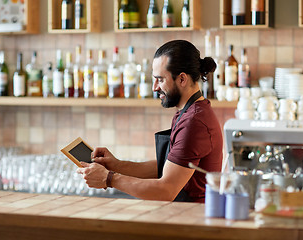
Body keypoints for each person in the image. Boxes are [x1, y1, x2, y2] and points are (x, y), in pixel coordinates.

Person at [77, 40, 223, 202]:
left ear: (182, 79)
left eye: (160, 80)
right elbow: (167, 166)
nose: (154, 87)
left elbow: (166, 190)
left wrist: (109, 179)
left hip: (191, 219)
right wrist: (116, 165)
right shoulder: (187, 112)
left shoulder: (194, 122)